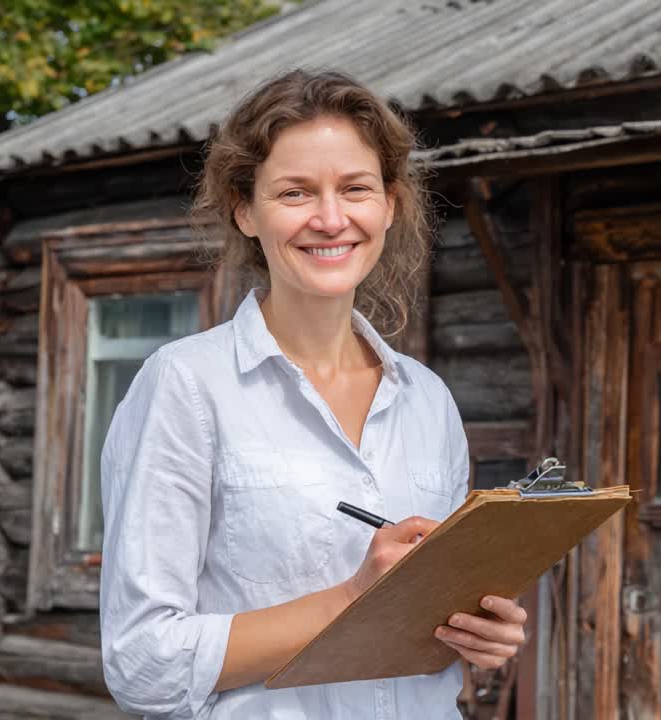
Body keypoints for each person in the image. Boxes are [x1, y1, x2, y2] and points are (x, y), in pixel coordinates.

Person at [97, 70, 527, 719]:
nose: (331, 219)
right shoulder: (186, 386)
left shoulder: (428, 401)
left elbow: (427, 634)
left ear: (388, 203)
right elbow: (140, 662)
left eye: (355, 189)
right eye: (295, 192)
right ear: (246, 209)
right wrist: (351, 597)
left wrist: (477, 632)